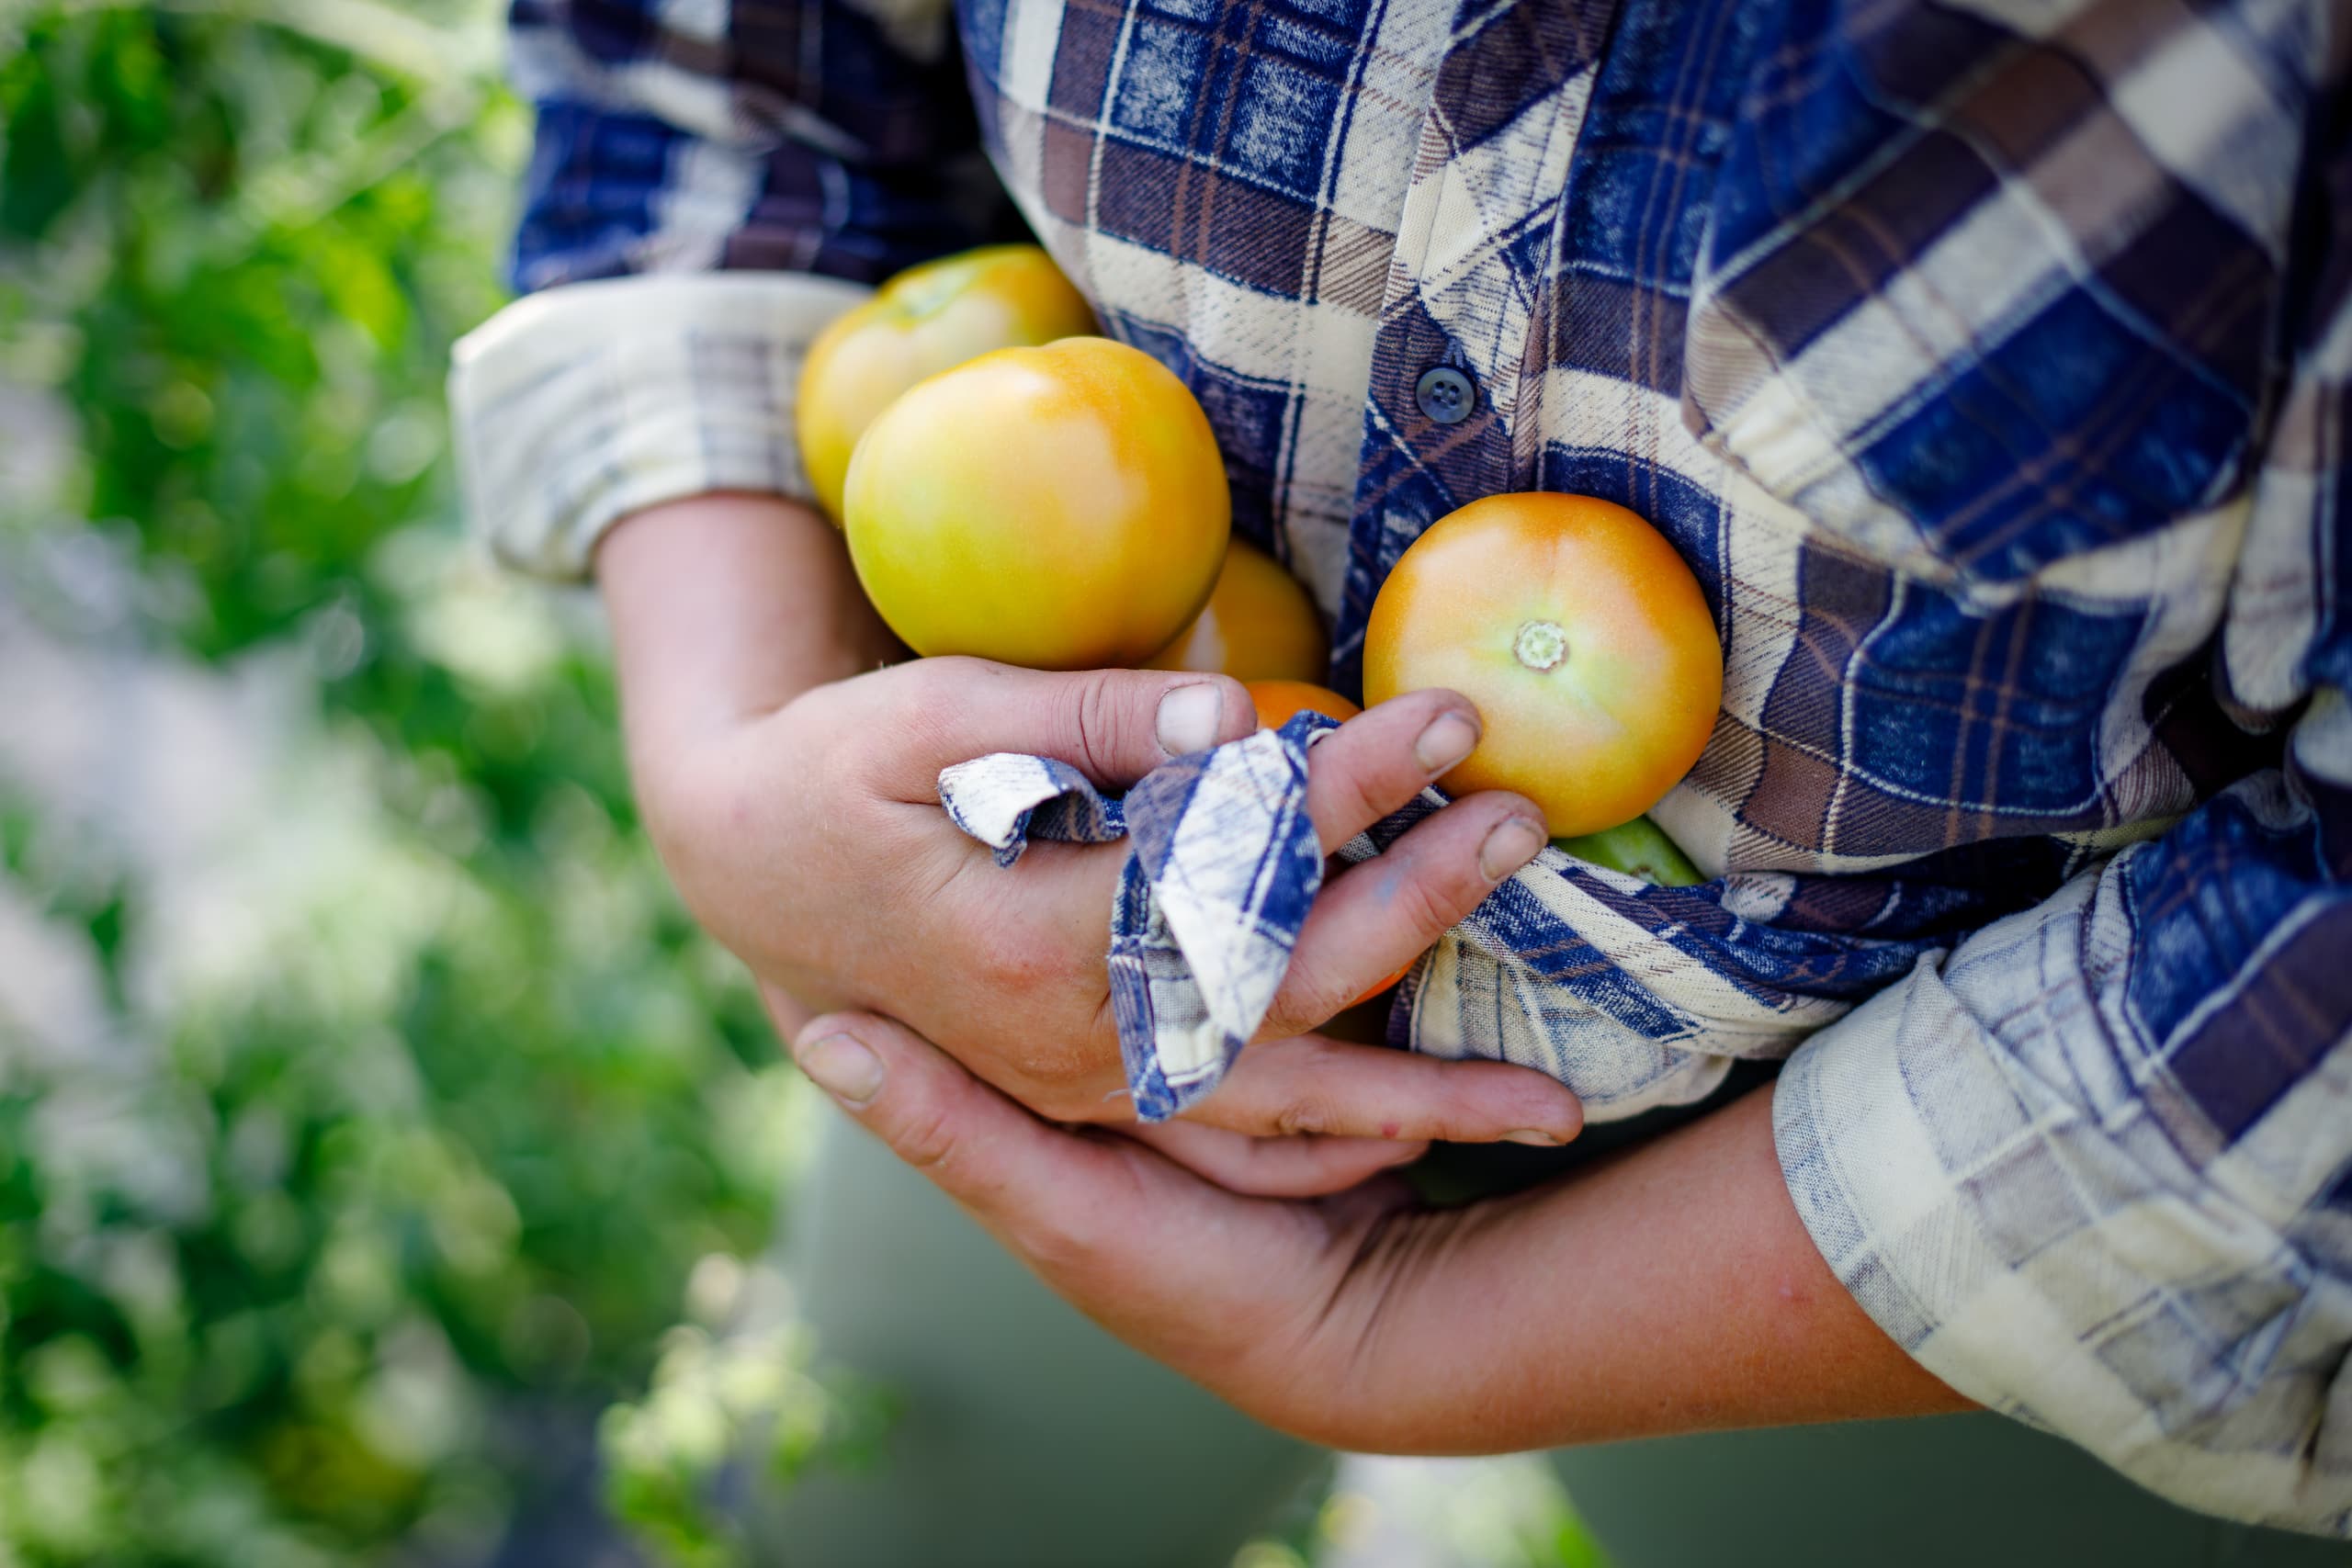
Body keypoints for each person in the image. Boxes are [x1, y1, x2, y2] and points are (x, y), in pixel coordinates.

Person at [451, 0, 2352, 1561]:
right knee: (861, 1510)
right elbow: (720, 60)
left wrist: (1404, 1343)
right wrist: (724, 769)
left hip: (1908, 1206)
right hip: (1058, 987)